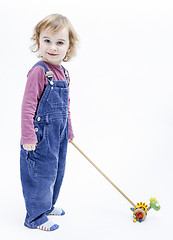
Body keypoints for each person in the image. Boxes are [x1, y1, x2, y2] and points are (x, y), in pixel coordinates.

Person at [20, 14, 78, 231]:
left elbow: (65, 107)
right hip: (40, 137)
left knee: (56, 171)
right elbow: (28, 106)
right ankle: (34, 218)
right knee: (40, 174)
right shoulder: (39, 72)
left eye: (59, 42)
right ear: (38, 42)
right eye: (47, 40)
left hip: (59, 135)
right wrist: (28, 136)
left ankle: (48, 205)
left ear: (68, 47)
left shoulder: (64, 73)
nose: (53, 47)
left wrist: (69, 131)